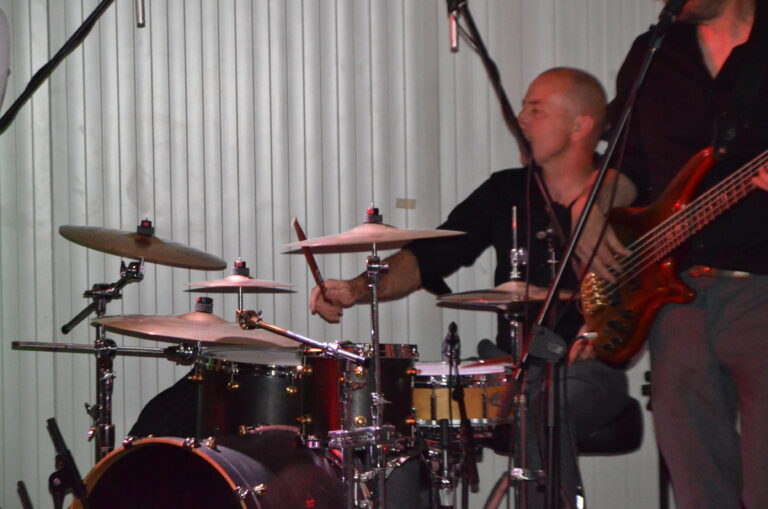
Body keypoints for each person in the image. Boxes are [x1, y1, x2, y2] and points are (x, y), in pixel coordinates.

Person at [310, 67, 636, 509]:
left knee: (541, 410)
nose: (520, 119)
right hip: (506, 369)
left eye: (536, 110)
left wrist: (605, 331)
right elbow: (428, 257)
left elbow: (649, 292)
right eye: (523, 107)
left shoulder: (626, 196)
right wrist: (353, 289)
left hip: (589, 372)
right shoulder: (505, 191)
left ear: (580, 126)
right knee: (401, 407)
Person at [591, 1, 768, 508]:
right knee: (697, 482)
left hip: (762, 289)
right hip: (674, 294)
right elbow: (629, 164)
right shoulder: (653, 52)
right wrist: (595, 205)